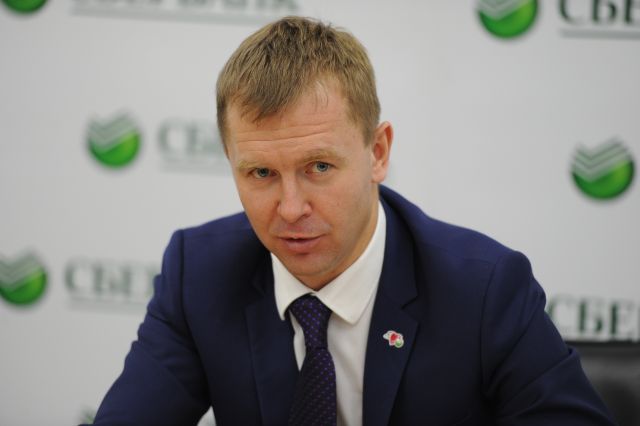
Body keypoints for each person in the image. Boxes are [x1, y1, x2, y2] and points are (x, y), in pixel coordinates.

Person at [88, 16, 616, 426]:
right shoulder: (198, 273)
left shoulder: (483, 290)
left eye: (319, 167)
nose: (290, 208)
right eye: (261, 173)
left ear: (377, 152)